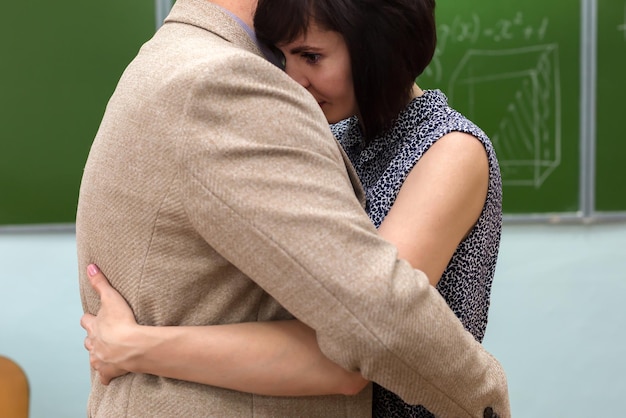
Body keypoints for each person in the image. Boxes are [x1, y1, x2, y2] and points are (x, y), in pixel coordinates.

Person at [77, 0, 509, 417]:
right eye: (282, 56)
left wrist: (136, 345)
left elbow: (359, 345)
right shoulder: (336, 135)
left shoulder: (451, 150)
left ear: (376, 49)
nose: (292, 77)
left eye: (311, 56)